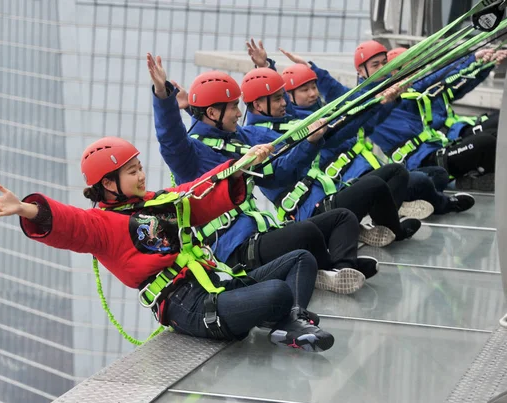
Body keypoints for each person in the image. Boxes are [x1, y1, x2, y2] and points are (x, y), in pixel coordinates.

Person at [0, 136, 335, 352]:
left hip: (215, 283)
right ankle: (287, 321)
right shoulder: (103, 225)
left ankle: (290, 322)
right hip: (190, 305)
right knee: (276, 292)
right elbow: (70, 223)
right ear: (108, 184)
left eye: (139, 167)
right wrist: (29, 209)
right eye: (131, 171)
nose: (141, 175)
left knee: (301, 258)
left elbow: (197, 193)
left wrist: (238, 167)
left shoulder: (156, 203)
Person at [149, 53, 378, 296]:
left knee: (341, 218)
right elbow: (170, 139)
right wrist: (164, 97)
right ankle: (330, 267)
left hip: (262, 234)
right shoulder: (190, 156)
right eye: (233, 106)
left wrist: (310, 142)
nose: (239, 113)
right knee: (306, 232)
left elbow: (280, 174)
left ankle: (341, 270)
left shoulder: (241, 141)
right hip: (237, 249)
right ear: (213, 114)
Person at [235, 60, 421, 244]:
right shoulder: (257, 138)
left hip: (330, 195)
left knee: (396, 172)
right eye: (278, 99)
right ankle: (392, 231)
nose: (284, 103)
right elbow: (284, 170)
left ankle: (380, 227)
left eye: (283, 97)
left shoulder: (286, 123)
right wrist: (310, 141)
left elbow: (343, 125)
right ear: (258, 105)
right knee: (383, 183)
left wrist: (377, 102)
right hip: (312, 211)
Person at [277, 60, 475, 216]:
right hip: (351, 180)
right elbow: (346, 105)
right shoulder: (303, 126)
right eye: (305, 90)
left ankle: (406, 204)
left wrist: (386, 102)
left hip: (372, 169)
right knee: (421, 180)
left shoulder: (327, 111)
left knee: (435, 175)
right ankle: (418, 206)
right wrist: (267, 66)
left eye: (314, 87)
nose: (312, 93)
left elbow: (367, 121)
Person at [352, 40, 497, 191]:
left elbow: (435, 79)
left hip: (438, 146)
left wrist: (473, 60)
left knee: (492, 136)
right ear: (361, 71)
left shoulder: (400, 91)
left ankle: (474, 179)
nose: (383, 69)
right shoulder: (363, 103)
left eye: (385, 63)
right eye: (376, 65)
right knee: (487, 141)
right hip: (421, 160)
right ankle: (461, 182)